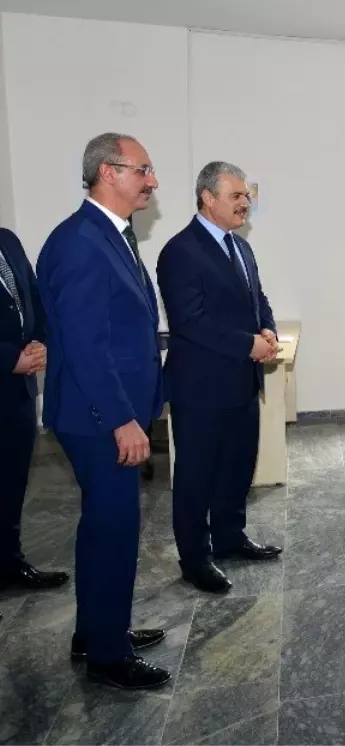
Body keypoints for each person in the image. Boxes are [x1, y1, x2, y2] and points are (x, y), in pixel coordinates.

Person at [37, 133, 169, 689]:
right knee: (114, 531)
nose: (152, 180)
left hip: (108, 411)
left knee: (102, 529)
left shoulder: (112, 235)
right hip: (99, 418)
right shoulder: (80, 242)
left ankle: (96, 630)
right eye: (143, 169)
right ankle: (108, 658)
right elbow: (87, 345)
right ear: (108, 173)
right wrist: (121, 418)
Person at [156, 161, 284, 595]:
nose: (245, 203)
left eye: (246, 195)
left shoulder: (239, 246)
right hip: (202, 388)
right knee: (196, 478)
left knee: (236, 467)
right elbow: (190, 321)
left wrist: (267, 329)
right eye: (236, 196)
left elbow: (257, 298)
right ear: (208, 198)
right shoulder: (180, 251)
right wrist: (249, 344)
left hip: (242, 384)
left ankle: (230, 538)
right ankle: (195, 558)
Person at [0, 226, 69, 606]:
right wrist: (11, 358)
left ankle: (10, 565)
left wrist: (40, 341)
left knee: (11, 486)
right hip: (8, 371)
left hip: (19, 393)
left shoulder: (7, 240)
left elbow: (33, 296)